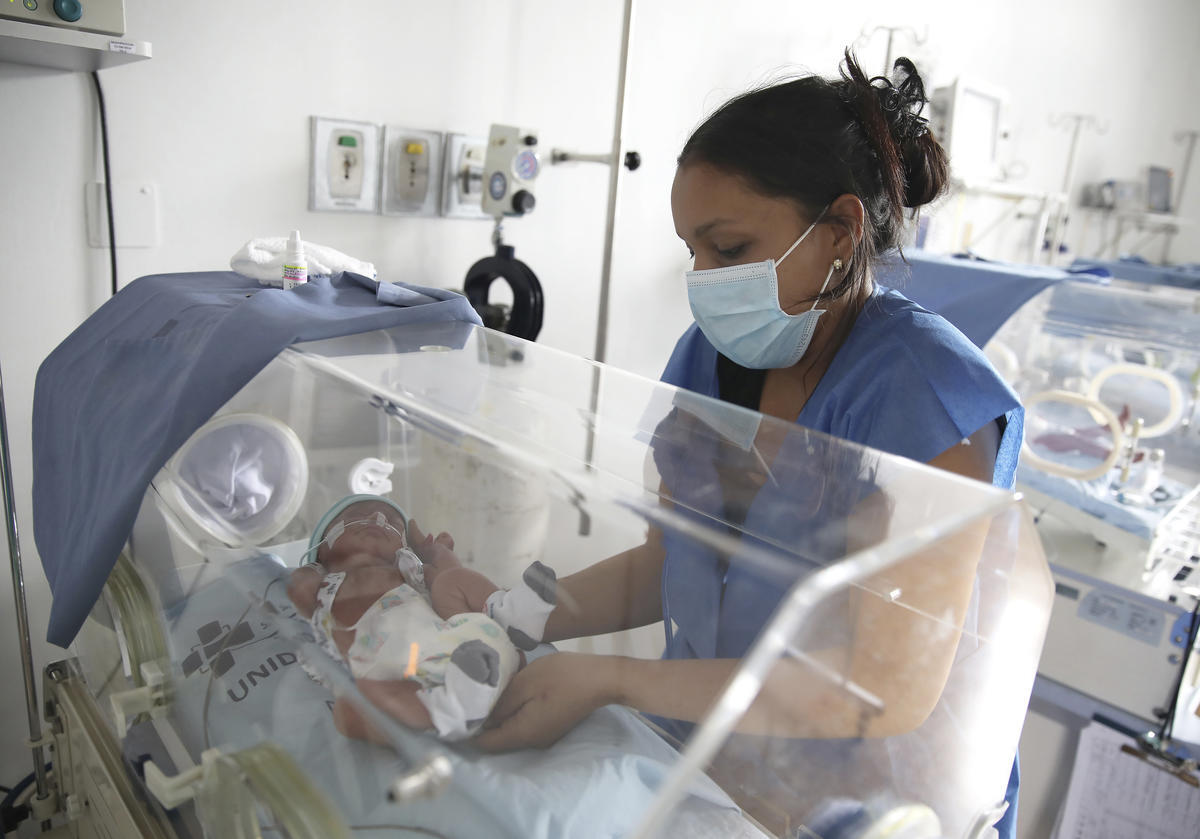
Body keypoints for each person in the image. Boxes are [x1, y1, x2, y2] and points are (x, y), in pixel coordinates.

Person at [335, 50, 1024, 837]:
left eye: (726, 249)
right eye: (690, 251)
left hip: (866, 800)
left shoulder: (930, 401)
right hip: (704, 767)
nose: (702, 279)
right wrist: (506, 613)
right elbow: (677, 562)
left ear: (838, 230)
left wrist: (612, 679)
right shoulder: (715, 358)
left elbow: (879, 687)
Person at [286, 494, 557, 740]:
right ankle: (449, 707)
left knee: (451, 580)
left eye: (392, 524)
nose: (377, 520)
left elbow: (448, 574)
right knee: (348, 714)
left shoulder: (411, 570)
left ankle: (509, 616)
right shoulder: (326, 582)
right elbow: (300, 593)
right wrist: (308, 574)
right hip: (385, 669)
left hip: (454, 644)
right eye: (356, 517)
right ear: (321, 548)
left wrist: (439, 554)